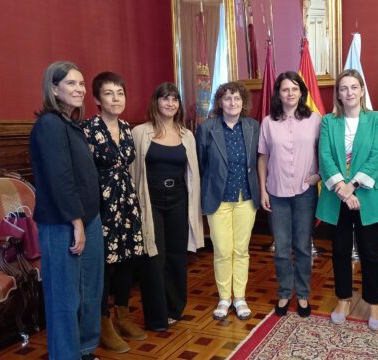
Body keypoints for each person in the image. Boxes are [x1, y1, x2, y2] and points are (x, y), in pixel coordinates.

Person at [30, 61, 103, 360]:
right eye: (71, 83)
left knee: (89, 294)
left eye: (82, 84)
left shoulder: (70, 124)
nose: (80, 89)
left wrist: (88, 221)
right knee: (65, 298)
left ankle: (84, 351)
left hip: (88, 220)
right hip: (64, 225)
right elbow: (60, 178)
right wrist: (77, 223)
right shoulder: (48, 124)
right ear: (54, 88)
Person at [316, 69, 378, 331]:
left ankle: (374, 303)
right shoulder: (328, 121)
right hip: (337, 198)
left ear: (361, 90)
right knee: (339, 250)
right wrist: (342, 190)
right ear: (338, 93)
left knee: (370, 252)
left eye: (354, 87)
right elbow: (325, 156)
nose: (349, 92)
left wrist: (353, 187)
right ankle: (343, 300)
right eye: (343, 88)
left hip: (367, 196)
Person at [130, 83, 204, 332]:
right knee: (154, 258)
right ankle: (156, 317)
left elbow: (192, 173)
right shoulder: (140, 132)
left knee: (176, 256)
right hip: (151, 202)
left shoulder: (186, 135)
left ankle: (175, 308)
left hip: (179, 201)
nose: (170, 103)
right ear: (156, 102)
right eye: (165, 99)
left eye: (175, 99)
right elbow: (133, 172)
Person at [81, 72, 146, 353]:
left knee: (127, 258)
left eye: (120, 92)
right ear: (96, 98)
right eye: (109, 93)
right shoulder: (88, 129)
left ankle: (123, 314)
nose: (116, 98)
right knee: (105, 263)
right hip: (101, 201)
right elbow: (84, 172)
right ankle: (103, 322)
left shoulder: (127, 127)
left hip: (126, 199)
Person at [258, 71, 320, 317]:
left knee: (303, 246)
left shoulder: (315, 119)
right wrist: (262, 189)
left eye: (295, 89)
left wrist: (319, 175)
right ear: (279, 94)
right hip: (276, 192)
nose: (290, 93)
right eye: (285, 89)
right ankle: (285, 292)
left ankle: (303, 295)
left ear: (301, 92)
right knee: (282, 247)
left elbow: (326, 151)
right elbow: (263, 157)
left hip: (305, 193)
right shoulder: (267, 122)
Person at [196, 82, 260, 321]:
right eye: (227, 98)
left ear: (243, 102)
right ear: (219, 102)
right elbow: (201, 164)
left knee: (241, 250)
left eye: (236, 99)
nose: (232, 103)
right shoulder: (207, 128)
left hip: (246, 197)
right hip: (218, 198)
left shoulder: (253, 126)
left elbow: (258, 159)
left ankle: (240, 297)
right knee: (222, 250)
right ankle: (224, 298)